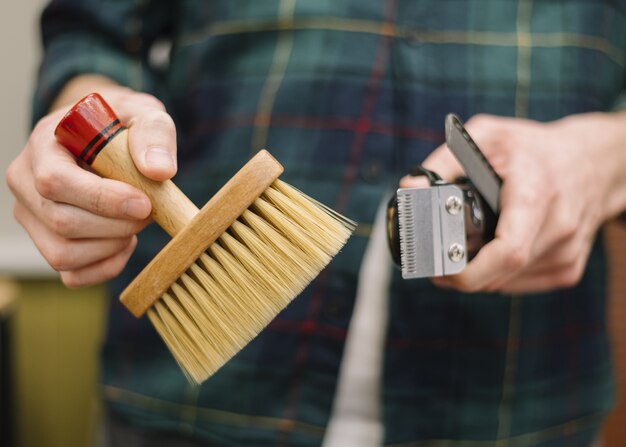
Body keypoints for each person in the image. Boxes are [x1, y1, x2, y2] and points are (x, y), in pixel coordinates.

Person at [6, 0, 626, 446]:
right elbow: (91, 34)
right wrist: (86, 120)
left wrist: (603, 157)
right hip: (187, 409)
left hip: (523, 402)